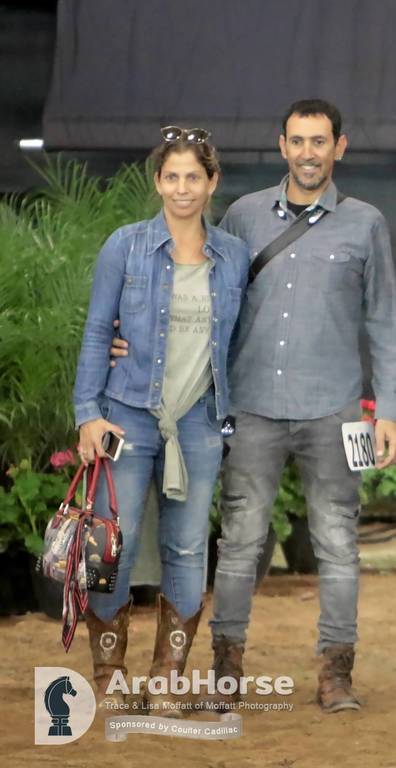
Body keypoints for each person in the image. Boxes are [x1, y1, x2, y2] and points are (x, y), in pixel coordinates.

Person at [203, 99, 396, 713]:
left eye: (319, 141)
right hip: (253, 406)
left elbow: (386, 324)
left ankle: (336, 672)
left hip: (335, 411)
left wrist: (390, 410)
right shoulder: (242, 216)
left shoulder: (366, 223)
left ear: (339, 147)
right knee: (240, 541)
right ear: (282, 145)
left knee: (338, 543)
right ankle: (226, 667)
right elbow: (210, 303)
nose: (308, 153)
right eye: (298, 141)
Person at [74, 126, 250, 715]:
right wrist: (87, 414)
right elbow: (97, 331)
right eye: (172, 176)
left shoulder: (233, 256)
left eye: (193, 177)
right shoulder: (124, 247)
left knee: (187, 550)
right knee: (111, 549)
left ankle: (166, 679)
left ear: (212, 182)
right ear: (157, 182)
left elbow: (232, 343)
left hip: (198, 423)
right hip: (125, 418)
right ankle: (109, 676)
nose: (182, 188)